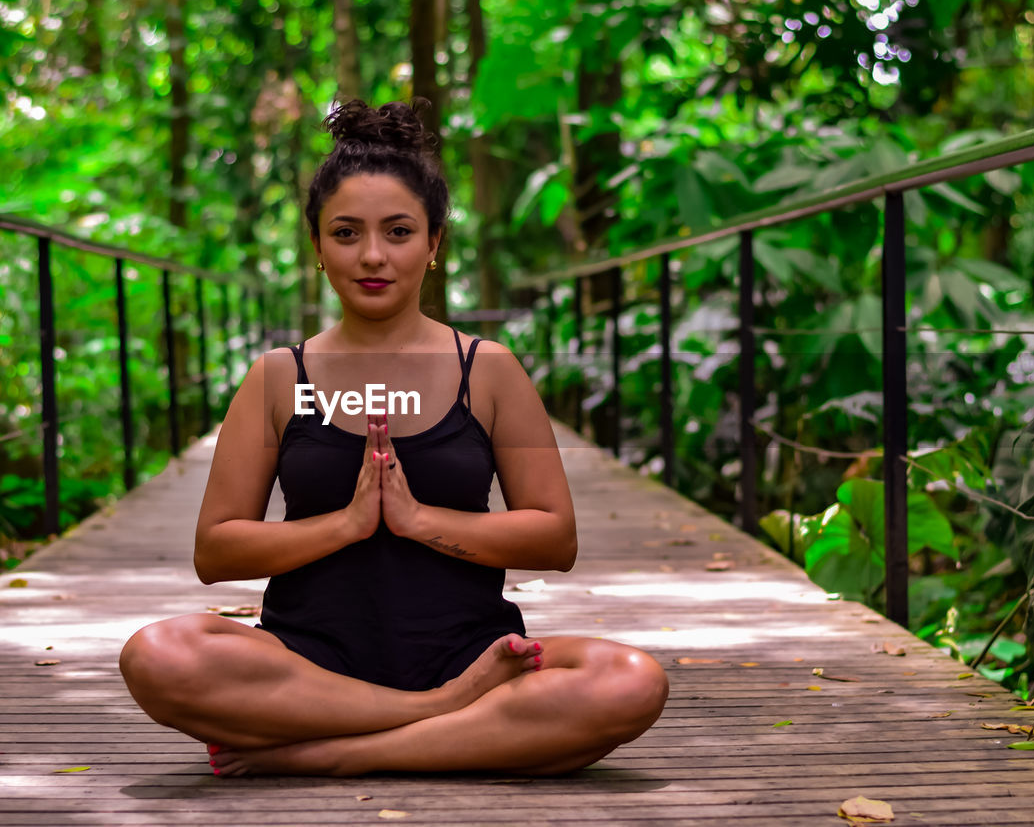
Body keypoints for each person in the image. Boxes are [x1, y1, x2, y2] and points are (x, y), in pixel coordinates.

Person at [119, 98, 668, 778]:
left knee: (630, 679)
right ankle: (447, 718)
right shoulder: (276, 378)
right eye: (346, 233)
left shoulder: (488, 370)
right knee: (157, 654)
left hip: (473, 655)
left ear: (435, 243)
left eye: (399, 232)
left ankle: (330, 754)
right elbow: (216, 551)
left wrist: (415, 520)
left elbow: (555, 539)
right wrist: (349, 524)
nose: (372, 255)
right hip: (307, 668)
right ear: (316, 247)